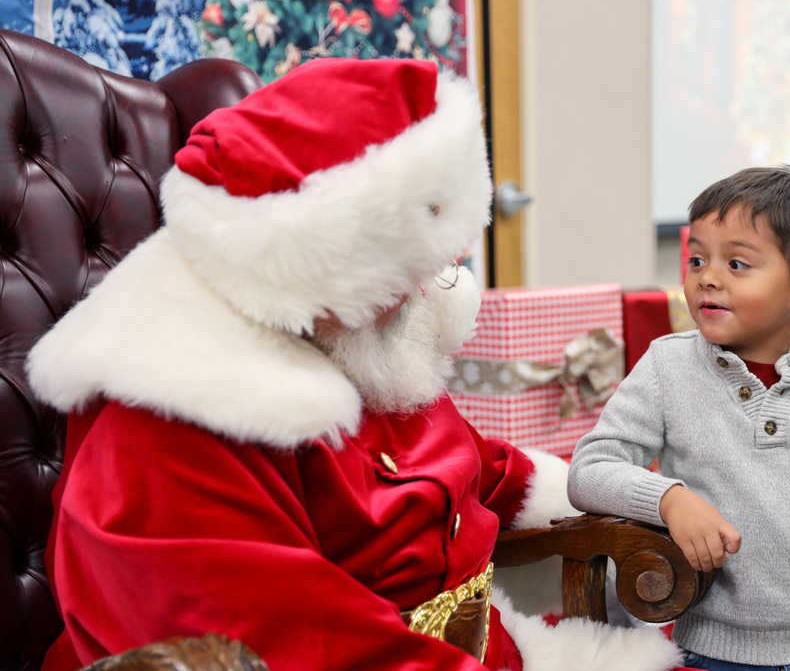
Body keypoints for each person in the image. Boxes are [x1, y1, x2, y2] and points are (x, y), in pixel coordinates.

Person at [28, 58, 685, 671]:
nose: (430, 282)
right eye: (398, 263)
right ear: (313, 260)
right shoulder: (169, 429)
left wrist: (638, 500)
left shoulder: (351, 336)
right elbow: (293, 642)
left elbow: (465, 464)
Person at [567, 166, 790, 671]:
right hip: (712, 654)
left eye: (737, 263)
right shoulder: (667, 366)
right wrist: (669, 499)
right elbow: (589, 470)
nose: (707, 277)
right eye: (696, 259)